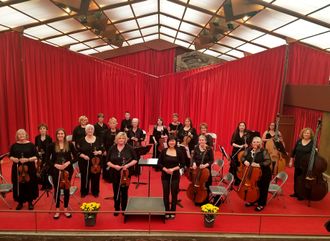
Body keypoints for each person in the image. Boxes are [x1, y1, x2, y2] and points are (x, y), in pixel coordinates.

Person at [47, 128, 77, 219]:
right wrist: (55, 165)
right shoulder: (52, 145)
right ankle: (57, 209)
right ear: (56, 135)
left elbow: (76, 157)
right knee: (57, 189)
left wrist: (68, 163)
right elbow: (47, 159)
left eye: (62, 134)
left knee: (66, 188)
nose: (60, 135)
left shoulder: (70, 144)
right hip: (55, 170)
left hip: (67, 170)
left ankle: (65, 208)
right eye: (58, 134)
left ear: (64, 135)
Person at [106, 132, 137, 216]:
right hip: (114, 172)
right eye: (119, 138)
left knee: (124, 191)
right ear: (117, 139)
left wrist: (127, 165)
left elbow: (135, 160)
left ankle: (124, 208)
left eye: (123, 138)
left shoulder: (129, 148)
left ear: (125, 139)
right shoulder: (112, 148)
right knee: (116, 190)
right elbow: (107, 161)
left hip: (125, 173)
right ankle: (116, 208)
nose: (121, 140)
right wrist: (114, 166)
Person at [9, 129, 39, 210]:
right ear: (17, 136)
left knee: (30, 184)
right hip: (17, 168)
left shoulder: (31, 145)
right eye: (19, 134)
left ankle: (30, 202)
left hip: (30, 168)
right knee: (19, 185)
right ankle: (20, 202)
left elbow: (36, 156)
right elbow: (10, 156)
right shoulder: (14, 145)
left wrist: (28, 159)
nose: (21, 135)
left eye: (23, 134)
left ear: (26, 135)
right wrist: (14, 159)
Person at [158, 136, 184, 219]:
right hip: (165, 175)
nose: (171, 143)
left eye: (173, 141)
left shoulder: (179, 151)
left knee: (174, 193)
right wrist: (165, 169)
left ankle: (172, 211)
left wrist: (173, 169)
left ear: (175, 142)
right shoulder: (164, 151)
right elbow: (159, 163)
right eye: (170, 141)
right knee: (166, 193)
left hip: (175, 175)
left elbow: (182, 164)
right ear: (168, 142)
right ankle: (166, 211)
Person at [242, 136, 271, 211]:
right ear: (251, 143)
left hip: (263, 173)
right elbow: (243, 157)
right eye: (254, 142)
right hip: (253, 173)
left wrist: (259, 164)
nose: (256, 143)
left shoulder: (264, 151)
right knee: (254, 187)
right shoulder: (248, 150)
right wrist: (245, 161)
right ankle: (253, 200)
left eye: (258, 142)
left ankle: (261, 204)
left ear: (261, 143)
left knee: (262, 188)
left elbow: (268, 161)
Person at [76, 124, 104, 198]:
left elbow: (103, 149)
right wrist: (84, 156)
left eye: (91, 129)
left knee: (96, 176)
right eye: (88, 129)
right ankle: (84, 191)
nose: (90, 130)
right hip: (84, 162)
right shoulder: (81, 140)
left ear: (93, 130)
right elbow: (77, 152)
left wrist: (98, 152)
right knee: (85, 176)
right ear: (86, 131)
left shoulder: (98, 139)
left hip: (96, 162)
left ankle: (95, 191)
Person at [289, 127, 314, 201]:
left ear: (310, 135)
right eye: (305, 133)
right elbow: (293, 151)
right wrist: (291, 160)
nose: (306, 134)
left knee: (303, 180)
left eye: (308, 133)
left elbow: (314, 155)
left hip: (306, 165)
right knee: (296, 179)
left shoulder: (312, 143)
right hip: (297, 163)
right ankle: (296, 193)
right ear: (302, 133)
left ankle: (302, 194)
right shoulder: (299, 141)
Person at [191, 135, 214, 204]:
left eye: (202, 140)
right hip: (197, 168)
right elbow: (193, 158)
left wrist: (204, 165)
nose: (201, 141)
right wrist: (194, 163)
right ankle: (197, 196)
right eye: (200, 140)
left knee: (205, 184)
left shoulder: (209, 149)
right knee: (196, 182)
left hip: (206, 169)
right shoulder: (196, 148)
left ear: (205, 141)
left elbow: (211, 160)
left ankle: (205, 199)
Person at [34, 123, 53, 190]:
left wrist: (50, 157)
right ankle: (44, 185)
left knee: (47, 170)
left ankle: (49, 185)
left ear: (46, 130)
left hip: (47, 156)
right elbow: (36, 147)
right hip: (40, 156)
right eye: (41, 129)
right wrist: (37, 156)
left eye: (44, 128)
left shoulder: (49, 138)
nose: (42, 130)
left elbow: (51, 148)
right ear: (39, 130)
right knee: (41, 170)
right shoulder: (37, 138)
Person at [103, 117, 120, 182]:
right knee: (107, 164)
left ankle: (115, 177)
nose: (112, 124)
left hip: (117, 151)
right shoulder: (105, 132)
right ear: (109, 124)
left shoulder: (119, 131)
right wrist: (103, 150)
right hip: (107, 151)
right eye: (111, 123)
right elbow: (102, 142)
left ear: (116, 124)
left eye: (114, 123)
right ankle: (107, 178)